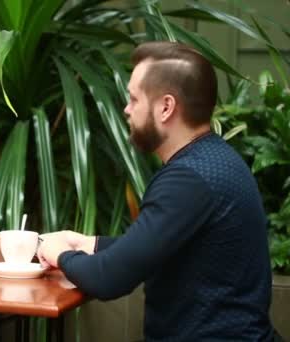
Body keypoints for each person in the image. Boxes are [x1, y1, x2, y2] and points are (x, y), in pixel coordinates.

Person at [37, 41, 274, 340]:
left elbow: (109, 279)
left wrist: (58, 254)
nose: (126, 109)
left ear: (165, 107)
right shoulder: (215, 159)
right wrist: (89, 243)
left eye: (134, 99)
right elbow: (155, 245)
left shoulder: (187, 180)